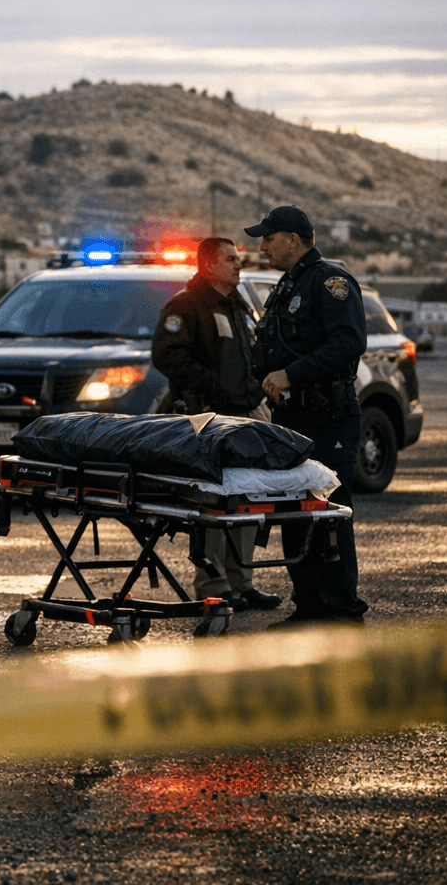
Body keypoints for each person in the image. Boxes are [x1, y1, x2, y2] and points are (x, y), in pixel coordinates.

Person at [246, 205, 369, 626]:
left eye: (268, 237)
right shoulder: (286, 286)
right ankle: (310, 606)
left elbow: (349, 342)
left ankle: (341, 610)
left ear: (293, 240)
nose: (262, 246)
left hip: (327, 417)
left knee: (329, 511)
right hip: (291, 420)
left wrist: (290, 374)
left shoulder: (329, 281)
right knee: (295, 512)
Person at [151, 236, 283, 613]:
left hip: (244, 416)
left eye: (237, 259)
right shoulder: (188, 305)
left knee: (244, 503)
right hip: (208, 418)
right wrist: (210, 386)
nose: (238, 266)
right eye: (229, 260)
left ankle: (242, 584)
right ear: (208, 266)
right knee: (212, 506)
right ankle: (213, 585)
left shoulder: (238, 305)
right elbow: (167, 355)